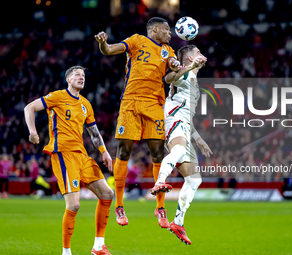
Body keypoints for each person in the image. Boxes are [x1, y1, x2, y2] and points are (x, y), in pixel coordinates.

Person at [95, 17, 180, 228]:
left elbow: (172, 66)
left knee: (158, 154)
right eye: (167, 30)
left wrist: (176, 64)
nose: (170, 34)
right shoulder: (136, 40)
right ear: (156, 29)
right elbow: (109, 50)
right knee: (123, 152)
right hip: (131, 102)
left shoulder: (168, 50)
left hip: (154, 104)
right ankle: (119, 205)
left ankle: (160, 207)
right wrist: (103, 43)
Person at [24, 66, 114, 255]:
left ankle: (98, 247)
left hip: (82, 155)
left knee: (107, 194)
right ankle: (66, 252)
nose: (81, 78)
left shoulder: (85, 104)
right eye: (77, 75)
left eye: (83, 75)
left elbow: (94, 132)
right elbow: (29, 107)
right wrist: (32, 131)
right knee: (74, 205)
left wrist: (104, 151)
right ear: (68, 79)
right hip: (63, 153)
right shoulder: (57, 96)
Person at [150, 45, 212, 245]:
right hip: (173, 119)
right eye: (198, 52)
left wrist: (199, 140)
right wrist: (189, 66)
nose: (202, 55)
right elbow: (168, 79)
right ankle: (160, 181)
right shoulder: (182, 73)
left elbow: (189, 116)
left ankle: (178, 222)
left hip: (184, 125)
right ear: (189, 58)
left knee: (195, 180)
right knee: (177, 150)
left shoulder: (195, 84)